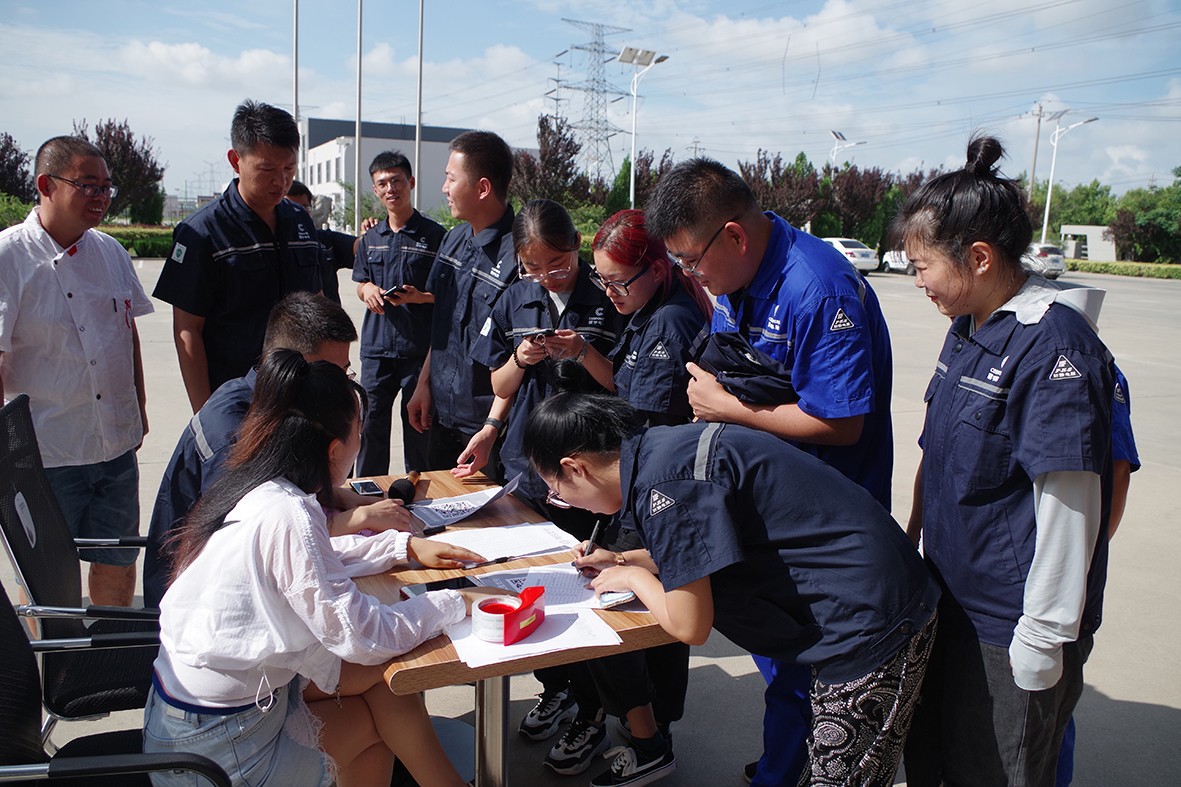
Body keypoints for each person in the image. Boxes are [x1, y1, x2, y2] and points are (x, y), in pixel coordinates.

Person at [523, 393, 939, 787]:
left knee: (842, 776)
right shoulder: (660, 451)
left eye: (557, 492)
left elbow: (690, 625)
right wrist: (622, 559)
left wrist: (634, 578)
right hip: (858, 596)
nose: (563, 500)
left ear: (576, 468)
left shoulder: (664, 487)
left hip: (873, 622)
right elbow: (707, 542)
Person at [145, 348, 508, 786]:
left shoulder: (262, 487)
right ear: (335, 448)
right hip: (216, 752)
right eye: (359, 433)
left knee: (384, 691)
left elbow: (313, 563)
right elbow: (363, 636)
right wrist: (458, 600)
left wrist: (404, 547)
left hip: (199, 720)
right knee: (382, 708)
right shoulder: (290, 512)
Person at [646, 157, 894, 786]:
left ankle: (786, 772)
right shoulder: (735, 275)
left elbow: (842, 424)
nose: (691, 276)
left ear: (733, 235)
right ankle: (790, 757)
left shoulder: (818, 289)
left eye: (691, 261)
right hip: (769, 497)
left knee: (801, 663)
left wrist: (730, 410)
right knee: (778, 654)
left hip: (824, 514)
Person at [895, 135, 1115, 787]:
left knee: (995, 771)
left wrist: (1043, 637)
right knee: (932, 761)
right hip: (948, 600)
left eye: (922, 266)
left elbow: (1071, 502)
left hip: (1008, 624)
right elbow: (939, 454)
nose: (917, 281)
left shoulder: (1053, 345)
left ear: (979, 257)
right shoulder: (968, 326)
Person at [552, 208, 713, 781]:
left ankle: (648, 738)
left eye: (619, 280)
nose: (609, 292)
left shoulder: (670, 321)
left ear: (657, 268)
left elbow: (643, 421)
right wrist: (581, 352)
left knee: (619, 613)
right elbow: (624, 384)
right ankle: (642, 723)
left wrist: (595, 484)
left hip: (655, 490)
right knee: (639, 609)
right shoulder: (648, 309)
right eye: (602, 280)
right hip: (644, 482)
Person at [466, 199, 624, 775]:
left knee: (587, 588)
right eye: (533, 267)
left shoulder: (607, 295)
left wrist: (582, 350)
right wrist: (521, 356)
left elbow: (624, 382)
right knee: (539, 586)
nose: (546, 277)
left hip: (590, 471)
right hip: (531, 463)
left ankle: (593, 709)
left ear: (576, 246)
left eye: (557, 264)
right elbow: (497, 381)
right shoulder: (515, 297)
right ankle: (556, 687)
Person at [143, 292, 413, 608]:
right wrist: (357, 519)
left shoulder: (277, 404)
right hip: (199, 598)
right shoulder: (232, 433)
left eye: (345, 371)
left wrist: (339, 497)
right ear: (296, 363)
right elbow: (255, 537)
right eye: (332, 372)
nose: (340, 385)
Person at [0, 135, 153, 607]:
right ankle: (53, 655)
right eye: (88, 185)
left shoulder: (110, 252)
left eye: (106, 187)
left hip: (114, 447)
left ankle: (108, 649)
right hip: (47, 453)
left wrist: (139, 409)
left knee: (118, 562)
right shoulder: (8, 257)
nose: (101, 197)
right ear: (46, 184)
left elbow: (126, 335)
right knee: (48, 581)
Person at [153, 99, 323, 413]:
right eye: (267, 169)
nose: (281, 181)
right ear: (236, 160)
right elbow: (188, 330)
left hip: (299, 394)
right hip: (237, 402)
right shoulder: (203, 232)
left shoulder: (300, 220)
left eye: (289, 169)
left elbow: (315, 301)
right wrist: (207, 415)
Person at [406, 130, 517, 475]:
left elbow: (523, 355)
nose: (444, 188)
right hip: (441, 416)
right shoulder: (453, 240)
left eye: (451, 179)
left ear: (482, 188)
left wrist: (493, 426)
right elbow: (443, 326)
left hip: (487, 431)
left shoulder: (521, 255)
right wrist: (423, 384)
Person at [352, 151, 445, 476]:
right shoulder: (370, 238)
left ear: (411, 182)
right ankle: (368, 493)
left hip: (417, 352)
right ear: (375, 190)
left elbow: (448, 295)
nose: (390, 188)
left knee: (419, 428)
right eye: (382, 183)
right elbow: (360, 282)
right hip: (376, 352)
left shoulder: (434, 236)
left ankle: (418, 492)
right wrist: (367, 290)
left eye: (396, 181)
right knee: (369, 429)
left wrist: (420, 297)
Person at [286, 179, 358, 305]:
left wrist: (376, 234)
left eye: (304, 208)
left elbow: (362, 246)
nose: (297, 214)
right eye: (290, 208)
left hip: (327, 316)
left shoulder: (325, 241)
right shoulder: (267, 247)